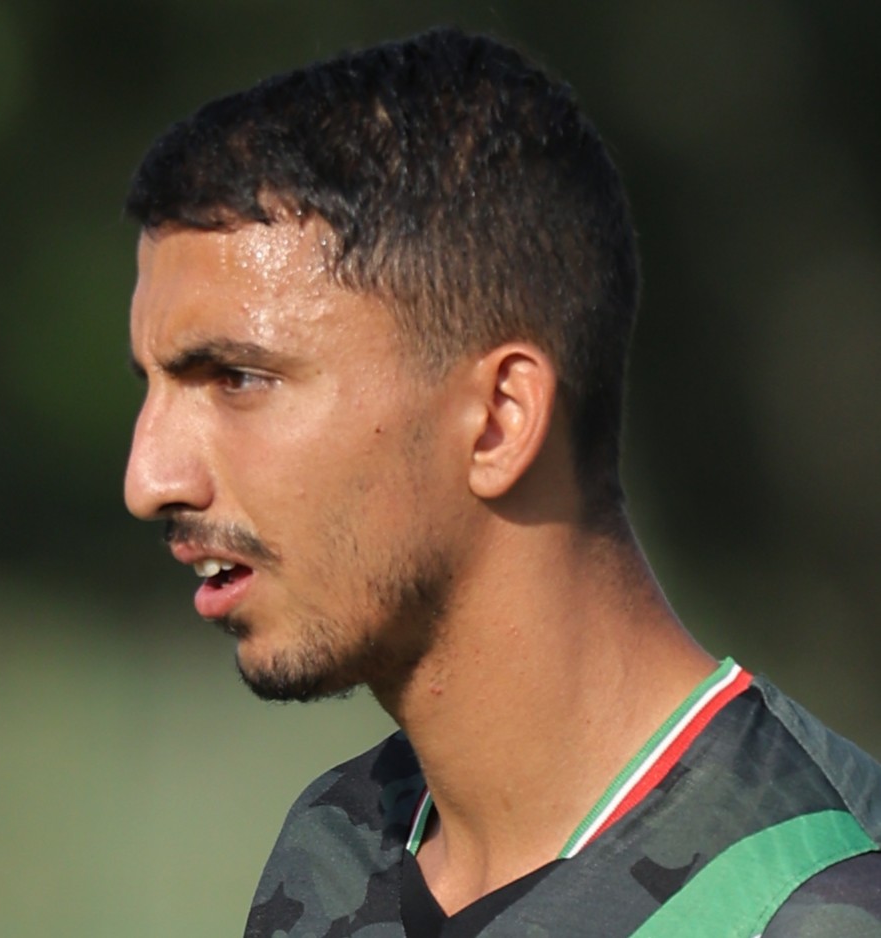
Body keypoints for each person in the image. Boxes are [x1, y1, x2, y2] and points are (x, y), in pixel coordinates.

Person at [123, 28, 881, 938]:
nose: (148, 478)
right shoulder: (333, 847)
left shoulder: (814, 905)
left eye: (238, 379)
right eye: (152, 386)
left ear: (498, 418)